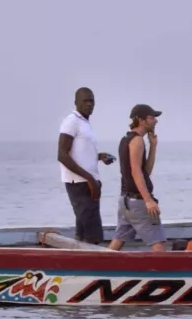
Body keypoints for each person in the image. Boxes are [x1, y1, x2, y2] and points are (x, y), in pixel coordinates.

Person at [57, 87, 115, 245]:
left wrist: (99, 157)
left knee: (83, 230)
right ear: (76, 102)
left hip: (87, 182)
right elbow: (62, 155)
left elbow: (80, 154)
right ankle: (94, 266)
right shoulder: (71, 121)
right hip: (79, 183)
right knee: (93, 233)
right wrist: (89, 179)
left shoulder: (84, 123)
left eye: (92, 101)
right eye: (85, 101)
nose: (89, 104)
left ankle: (78, 263)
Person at [107, 104, 167, 251]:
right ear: (141, 120)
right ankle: (163, 273)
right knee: (158, 244)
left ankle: (99, 267)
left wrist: (153, 146)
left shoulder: (126, 139)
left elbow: (145, 171)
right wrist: (148, 200)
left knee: (118, 240)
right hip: (138, 203)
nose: (156, 121)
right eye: (152, 118)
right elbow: (136, 172)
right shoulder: (137, 141)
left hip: (125, 201)